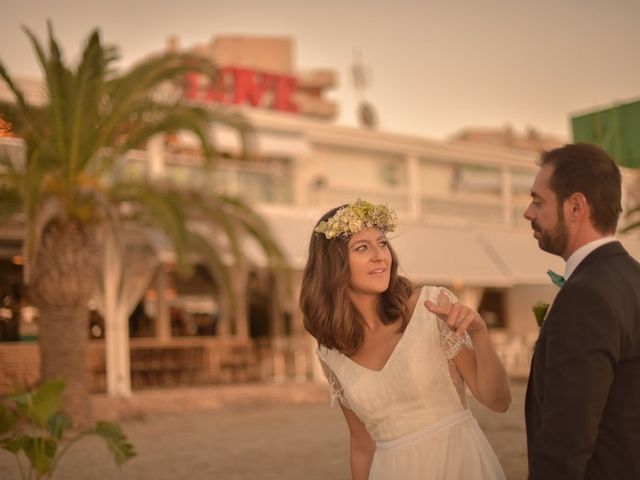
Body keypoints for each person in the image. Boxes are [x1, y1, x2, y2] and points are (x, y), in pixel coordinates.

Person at [300, 199, 511, 480]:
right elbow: (362, 445)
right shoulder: (331, 352)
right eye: (362, 247)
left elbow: (498, 401)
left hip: (459, 465)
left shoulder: (431, 307)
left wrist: (480, 333)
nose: (380, 256)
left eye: (382, 243)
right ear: (333, 265)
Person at [523, 143, 640, 479]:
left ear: (575, 207)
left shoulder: (585, 298)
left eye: (537, 201)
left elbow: (564, 444)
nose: (528, 213)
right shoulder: (633, 277)